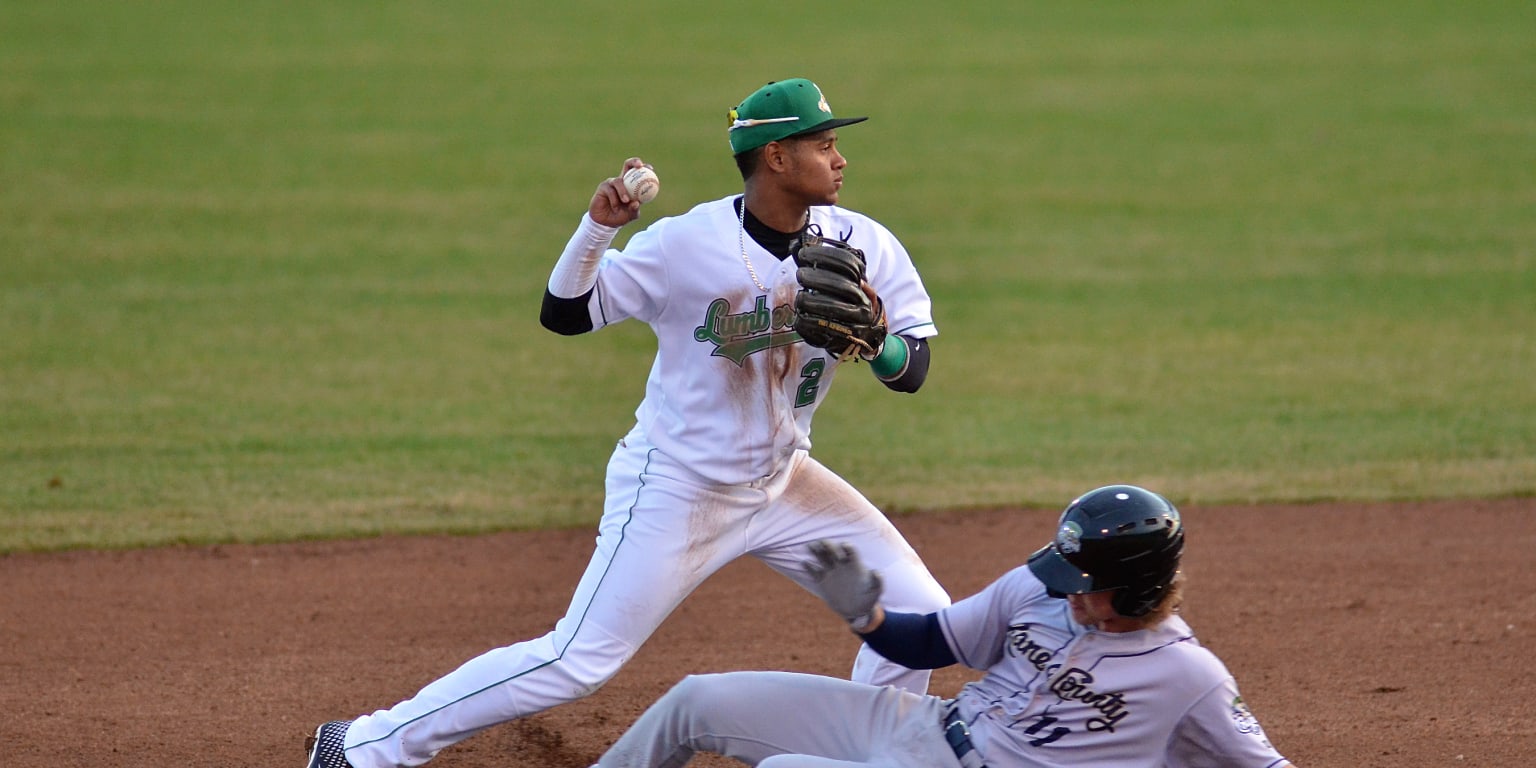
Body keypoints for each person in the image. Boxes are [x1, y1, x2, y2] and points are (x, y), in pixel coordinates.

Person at [304, 77, 952, 768]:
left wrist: (877, 340)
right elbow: (566, 314)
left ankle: (868, 758)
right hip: (680, 485)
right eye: (823, 144)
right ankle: (365, 747)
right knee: (578, 658)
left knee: (920, 618)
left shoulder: (863, 242)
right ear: (776, 158)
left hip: (785, 482)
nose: (840, 157)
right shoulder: (684, 244)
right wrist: (598, 230)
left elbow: (911, 369)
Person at [593, 484, 1298, 768]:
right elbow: (932, 643)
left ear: (1141, 588)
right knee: (696, 700)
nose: (1067, 596)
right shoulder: (1038, 590)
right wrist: (864, 614)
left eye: (1088, 588)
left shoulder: (1189, 678)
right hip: (924, 729)